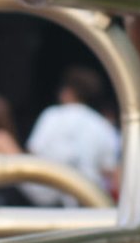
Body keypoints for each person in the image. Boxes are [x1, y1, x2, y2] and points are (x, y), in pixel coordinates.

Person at [20, 65, 120, 209]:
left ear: (68, 91)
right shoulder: (103, 126)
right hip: (89, 200)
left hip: (46, 198)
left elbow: (33, 152)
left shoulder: (52, 115)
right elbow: (109, 171)